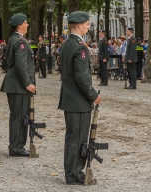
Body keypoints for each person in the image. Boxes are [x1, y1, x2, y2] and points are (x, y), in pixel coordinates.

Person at [58, 11, 101, 185]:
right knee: (78, 138)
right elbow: (82, 77)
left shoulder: (68, 44)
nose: (88, 27)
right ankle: (75, 174)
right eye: (87, 24)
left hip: (69, 98)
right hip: (78, 100)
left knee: (71, 137)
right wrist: (93, 95)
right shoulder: (80, 47)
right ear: (79, 25)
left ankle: (71, 171)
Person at [0, 13, 36, 157]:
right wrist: (28, 84)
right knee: (20, 116)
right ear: (20, 26)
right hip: (19, 85)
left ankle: (16, 145)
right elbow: (21, 65)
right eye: (26, 23)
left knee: (17, 115)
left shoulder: (14, 40)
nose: (27, 25)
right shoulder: (21, 42)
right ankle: (17, 147)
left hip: (15, 84)